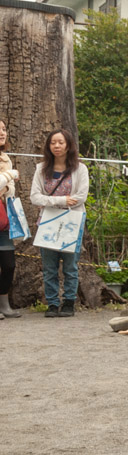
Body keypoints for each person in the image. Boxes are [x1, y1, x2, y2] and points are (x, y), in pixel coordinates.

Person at [30, 130, 89, 317]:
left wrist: (51, 200)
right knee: (49, 266)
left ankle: (69, 301)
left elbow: (80, 197)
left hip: (72, 222)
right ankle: (52, 303)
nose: (57, 146)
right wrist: (62, 201)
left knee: (71, 265)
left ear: (68, 145)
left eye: (60, 142)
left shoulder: (80, 169)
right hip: (47, 222)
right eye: (53, 143)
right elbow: (35, 197)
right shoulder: (41, 169)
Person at [0, 120, 20, 319]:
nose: (1, 133)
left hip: (4, 217)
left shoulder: (5, 157)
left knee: (8, 264)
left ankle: (4, 302)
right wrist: (10, 175)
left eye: (4, 129)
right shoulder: (9, 168)